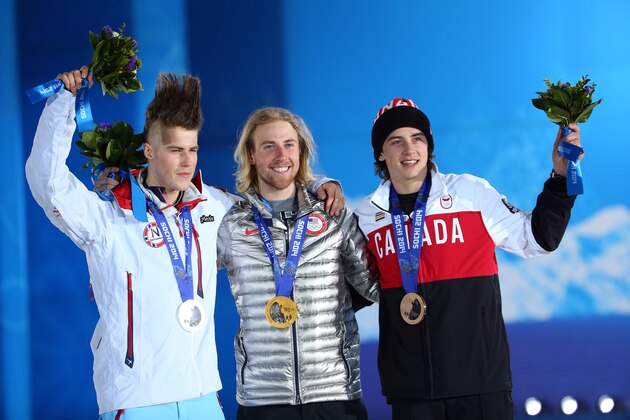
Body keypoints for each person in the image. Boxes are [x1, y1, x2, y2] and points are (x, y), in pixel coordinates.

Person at [25, 66, 343, 419]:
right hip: (136, 399)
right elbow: (47, 182)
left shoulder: (216, 207)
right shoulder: (108, 218)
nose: (187, 161)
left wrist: (317, 184)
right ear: (148, 151)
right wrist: (62, 105)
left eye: (192, 149)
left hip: (203, 396)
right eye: (175, 150)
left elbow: (275, 201)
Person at [353, 97, 582, 420]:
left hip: (480, 386)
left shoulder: (470, 194)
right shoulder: (366, 215)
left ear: (429, 145)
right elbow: (352, 290)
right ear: (380, 152)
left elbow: (538, 239)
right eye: (396, 141)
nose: (409, 150)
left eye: (418, 138)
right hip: (411, 391)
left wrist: (560, 180)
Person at [216, 107, 380, 420]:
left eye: (289, 144)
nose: (281, 155)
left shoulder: (333, 215)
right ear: (251, 155)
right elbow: (181, 268)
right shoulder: (231, 224)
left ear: (301, 151)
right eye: (269, 146)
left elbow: (374, 286)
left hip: (335, 395)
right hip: (263, 400)